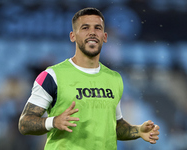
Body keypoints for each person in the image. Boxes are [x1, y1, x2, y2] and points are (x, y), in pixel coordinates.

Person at [18, 7, 160, 150]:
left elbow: (115, 127)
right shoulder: (52, 76)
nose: (92, 32)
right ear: (72, 36)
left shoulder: (114, 79)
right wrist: (53, 122)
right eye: (85, 28)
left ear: (104, 37)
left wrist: (138, 131)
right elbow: (25, 123)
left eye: (97, 28)